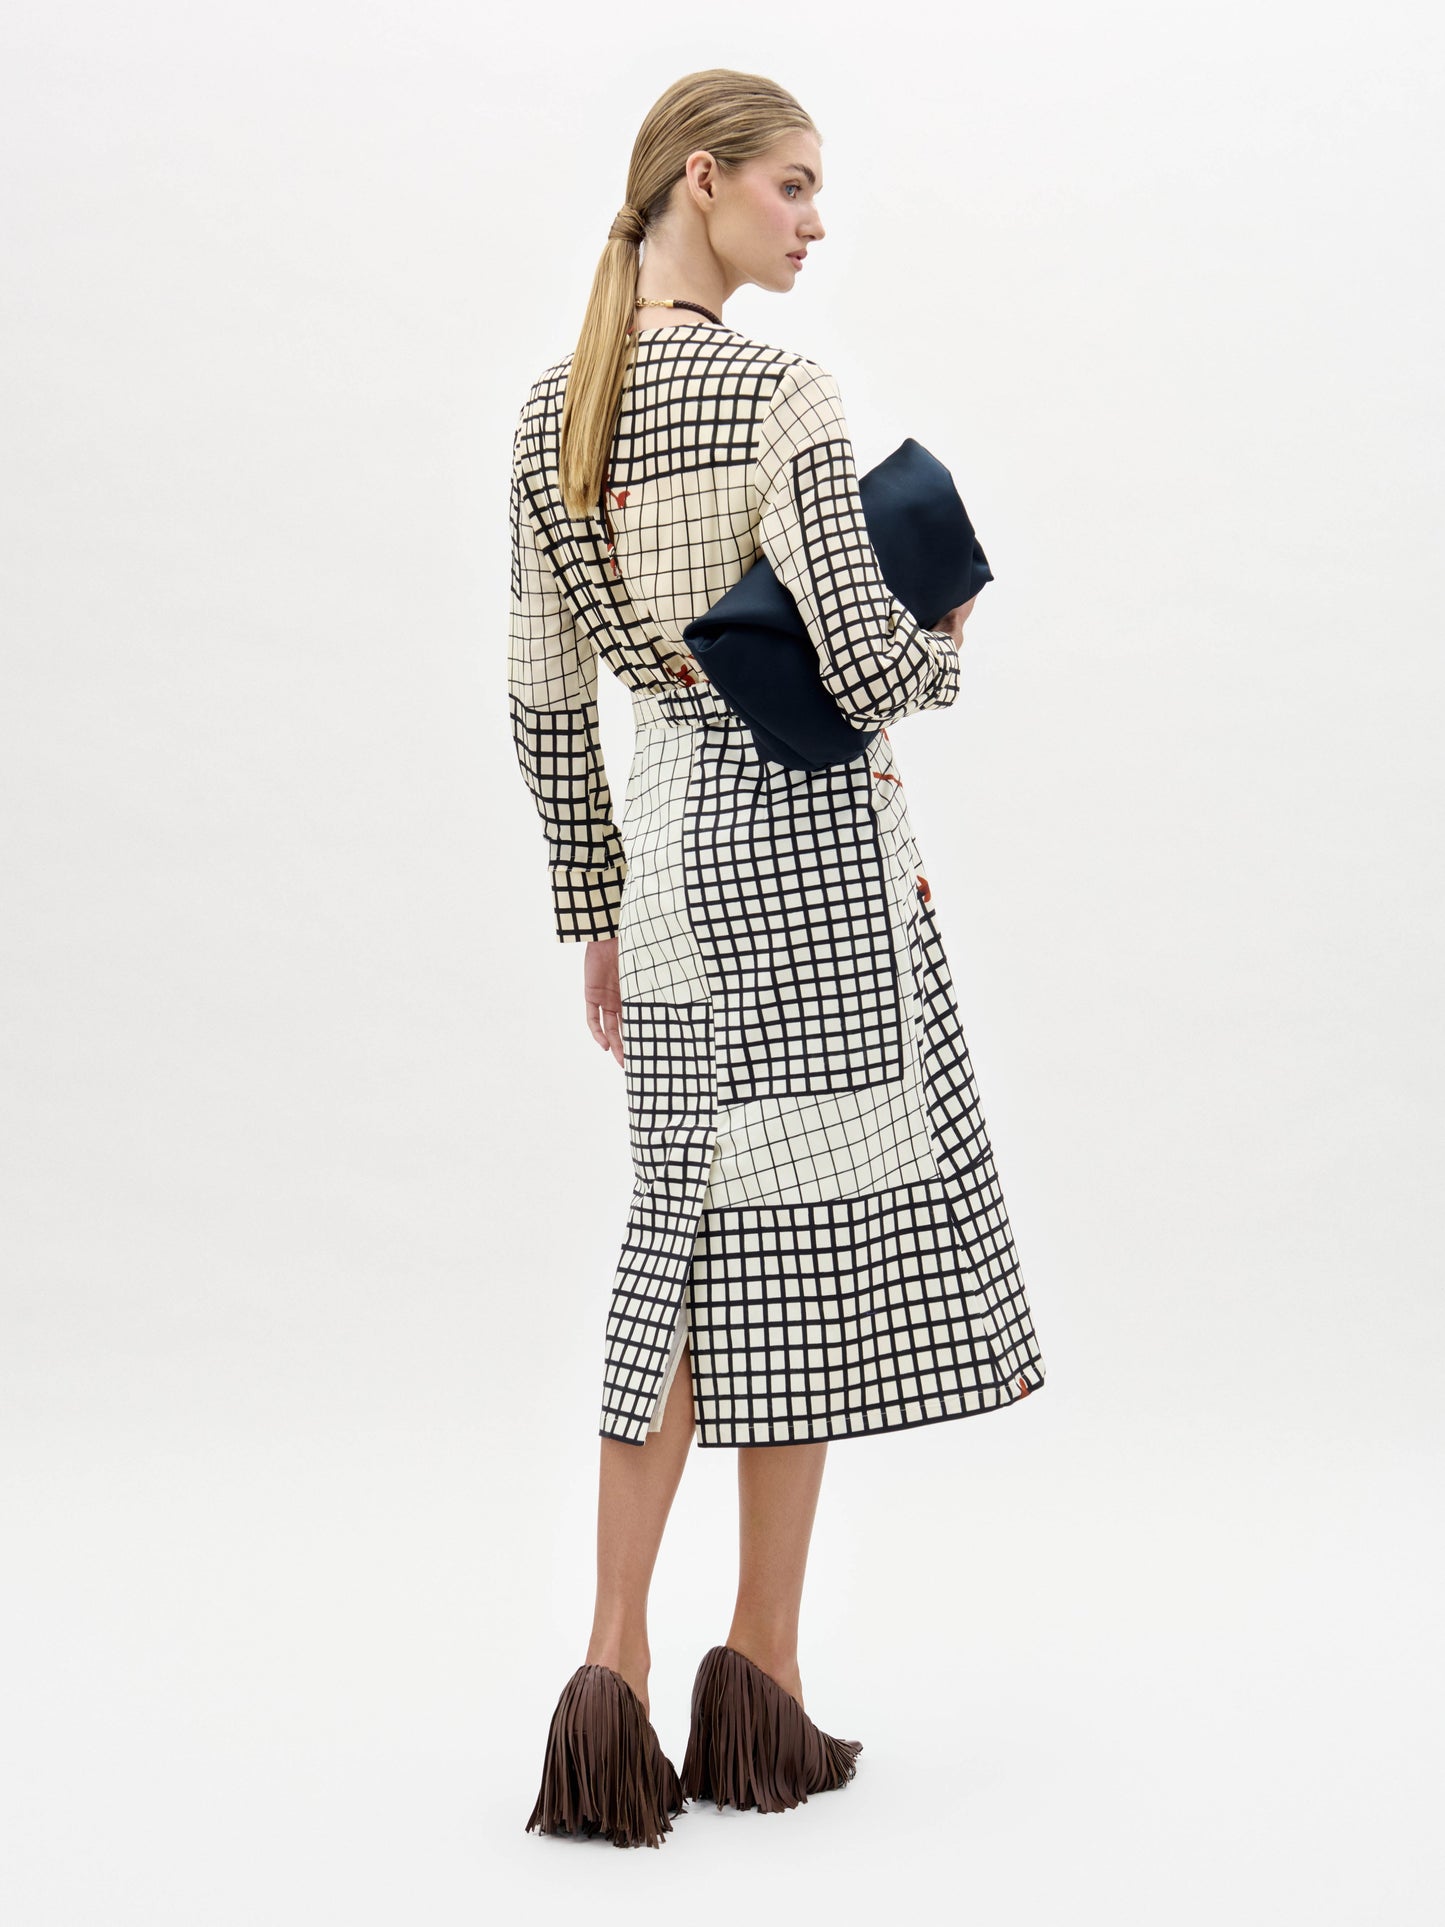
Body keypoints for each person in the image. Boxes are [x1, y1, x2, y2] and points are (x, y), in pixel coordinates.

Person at [507, 68, 1047, 1849]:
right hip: (805, 858)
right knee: (795, 1246)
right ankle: (762, 1680)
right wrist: (944, 631)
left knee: (680, 1235)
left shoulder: (550, 418)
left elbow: (540, 703)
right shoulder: (779, 388)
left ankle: (619, 1680)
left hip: (667, 849)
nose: (815, 221)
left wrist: (592, 910)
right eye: (795, 186)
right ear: (702, 181)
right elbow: (864, 658)